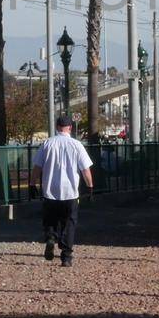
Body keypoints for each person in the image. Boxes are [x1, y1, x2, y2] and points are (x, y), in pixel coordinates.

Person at [31, 113, 93, 267]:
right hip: (70, 192)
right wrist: (90, 186)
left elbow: (37, 168)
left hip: (50, 190)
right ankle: (66, 255)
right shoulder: (76, 145)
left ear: (57, 127)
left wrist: (32, 184)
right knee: (69, 223)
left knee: (50, 219)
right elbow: (85, 170)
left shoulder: (47, 143)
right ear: (70, 128)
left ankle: (51, 237)